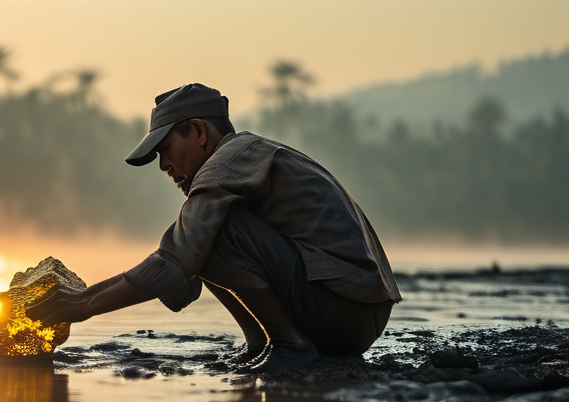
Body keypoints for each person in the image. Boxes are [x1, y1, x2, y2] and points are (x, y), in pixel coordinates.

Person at [26, 83, 401, 370]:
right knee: (198, 232)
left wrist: (84, 304)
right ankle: (263, 341)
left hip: (345, 310)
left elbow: (175, 261)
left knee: (207, 232)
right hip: (359, 313)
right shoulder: (247, 156)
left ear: (199, 132)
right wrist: (84, 300)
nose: (163, 166)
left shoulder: (227, 163)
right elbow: (178, 265)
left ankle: (290, 344)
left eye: (166, 149)